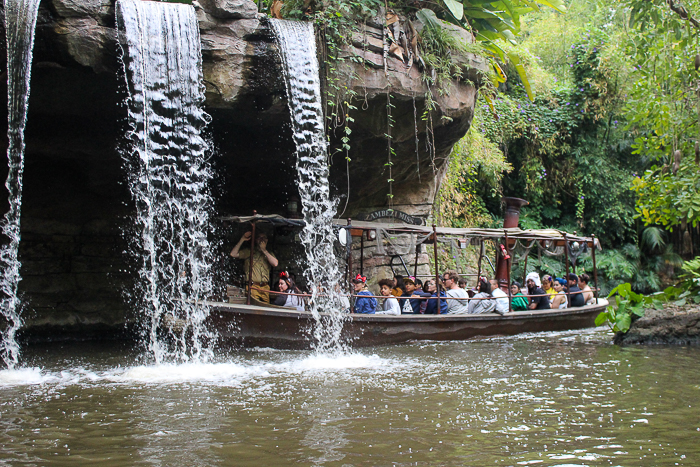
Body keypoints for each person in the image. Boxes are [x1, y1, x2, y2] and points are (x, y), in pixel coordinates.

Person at [230, 231, 279, 303]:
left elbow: (275, 263)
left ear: (267, 240)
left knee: (265, 309)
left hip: (265, 287)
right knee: (254, 305)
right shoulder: (250, 251)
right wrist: (242, 239)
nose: (262, 240)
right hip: (253, 286)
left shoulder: (269, 254)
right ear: (256, 240)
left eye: (264, 238)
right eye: (260, 238)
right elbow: (233, 254)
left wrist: (264, 250)